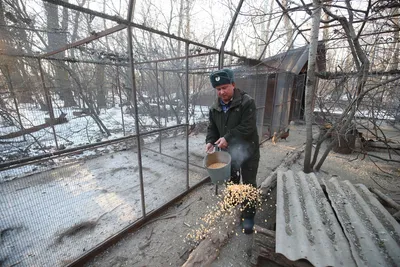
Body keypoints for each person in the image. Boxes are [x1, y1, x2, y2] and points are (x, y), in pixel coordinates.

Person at [205, 68, 260, 234]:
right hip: (230, 154)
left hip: (248, 150)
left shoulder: (246, 102)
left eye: (225, 87)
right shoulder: (215, 107)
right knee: (233, 180)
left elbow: (248, 127)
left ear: (233, 85)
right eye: (218, 89)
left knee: (249, 183)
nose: (222, 92)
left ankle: (248, 215)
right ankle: (234, 205)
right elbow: (212, 127)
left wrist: (227, 137)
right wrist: (209, 141)